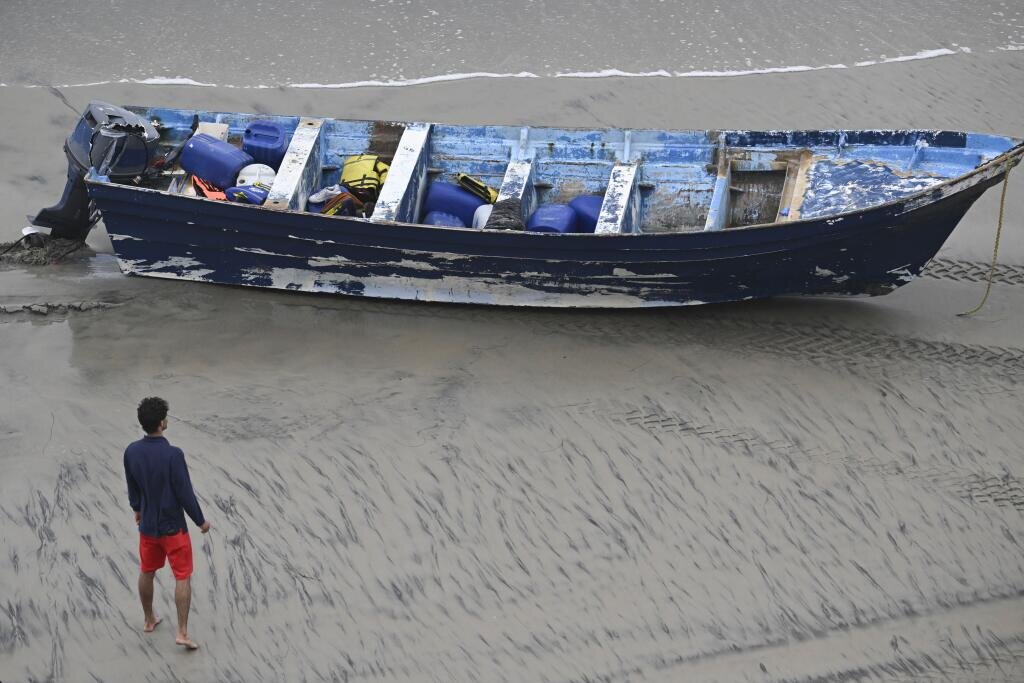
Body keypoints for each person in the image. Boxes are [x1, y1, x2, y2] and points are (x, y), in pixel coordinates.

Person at [124, 396, 211, 650]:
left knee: (147, 571)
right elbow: (184, 492)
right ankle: (182, 632)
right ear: (162, 422)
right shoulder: (173, 455)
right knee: (182, 576)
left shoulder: (131, 451)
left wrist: (137, 509)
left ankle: (149, 619)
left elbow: (132, 485)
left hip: (148, 527)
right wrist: (200, 521)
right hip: (174, 528)